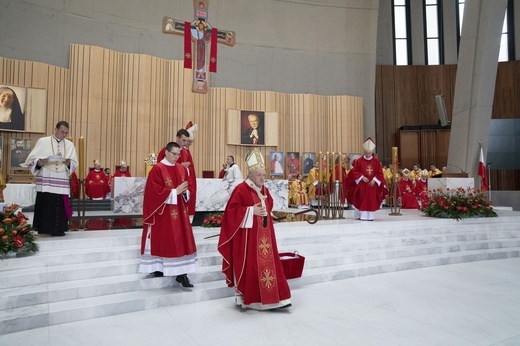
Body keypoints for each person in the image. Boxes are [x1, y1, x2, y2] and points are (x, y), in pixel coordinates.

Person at [218, 148, 291, 310]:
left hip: (265, 234)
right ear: (250, 175)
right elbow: (231, 212)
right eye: (259, 175)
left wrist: (267, 210)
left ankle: (277, 298)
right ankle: (252, 299)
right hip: (248, 239)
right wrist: (251, 211)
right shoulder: (241, 189)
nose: (263, 178)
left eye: (264, 175)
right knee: (252, 266)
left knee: (270, 265)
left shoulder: (263, 188)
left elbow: (269, 202)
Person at [138, 141, 198, 288]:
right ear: (166, 152)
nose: (177, 157)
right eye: (174, 154)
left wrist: (185, 192)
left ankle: (182, 274)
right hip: (163, 214)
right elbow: (153, 193)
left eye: (178, 154)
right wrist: (174, 192)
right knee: (164, 242)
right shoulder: (157, 169)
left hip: (180, 213)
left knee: (181, 243)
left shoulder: (181, 169)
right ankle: (158, 268)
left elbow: (188, 188)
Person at [24, 121, 78, 236]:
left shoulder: (69, 145)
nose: (64, 135)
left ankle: (58, 230)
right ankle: (44, 229)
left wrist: (69, 163)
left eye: (66, 133)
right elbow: (30, 161)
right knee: (47, 204)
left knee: (59, 206)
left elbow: (74, 164)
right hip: (46, 178)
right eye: (62, 132)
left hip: (61, 179)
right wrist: (39, 162)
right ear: (55, 129)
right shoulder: (43, 142)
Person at [346, 137, 387, 221]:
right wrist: (361, 177)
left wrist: (374, 180)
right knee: (360, 197)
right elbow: (355, 171)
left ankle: (370, 217)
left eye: (370, 153)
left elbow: (380, 173)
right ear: (364, 151)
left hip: (372, 185)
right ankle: (361, 215)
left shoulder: (376, 162)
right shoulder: (359, 161)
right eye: (367, 153)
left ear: (372, 152)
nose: (368, 154)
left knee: (371, 199)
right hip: (362, 183)